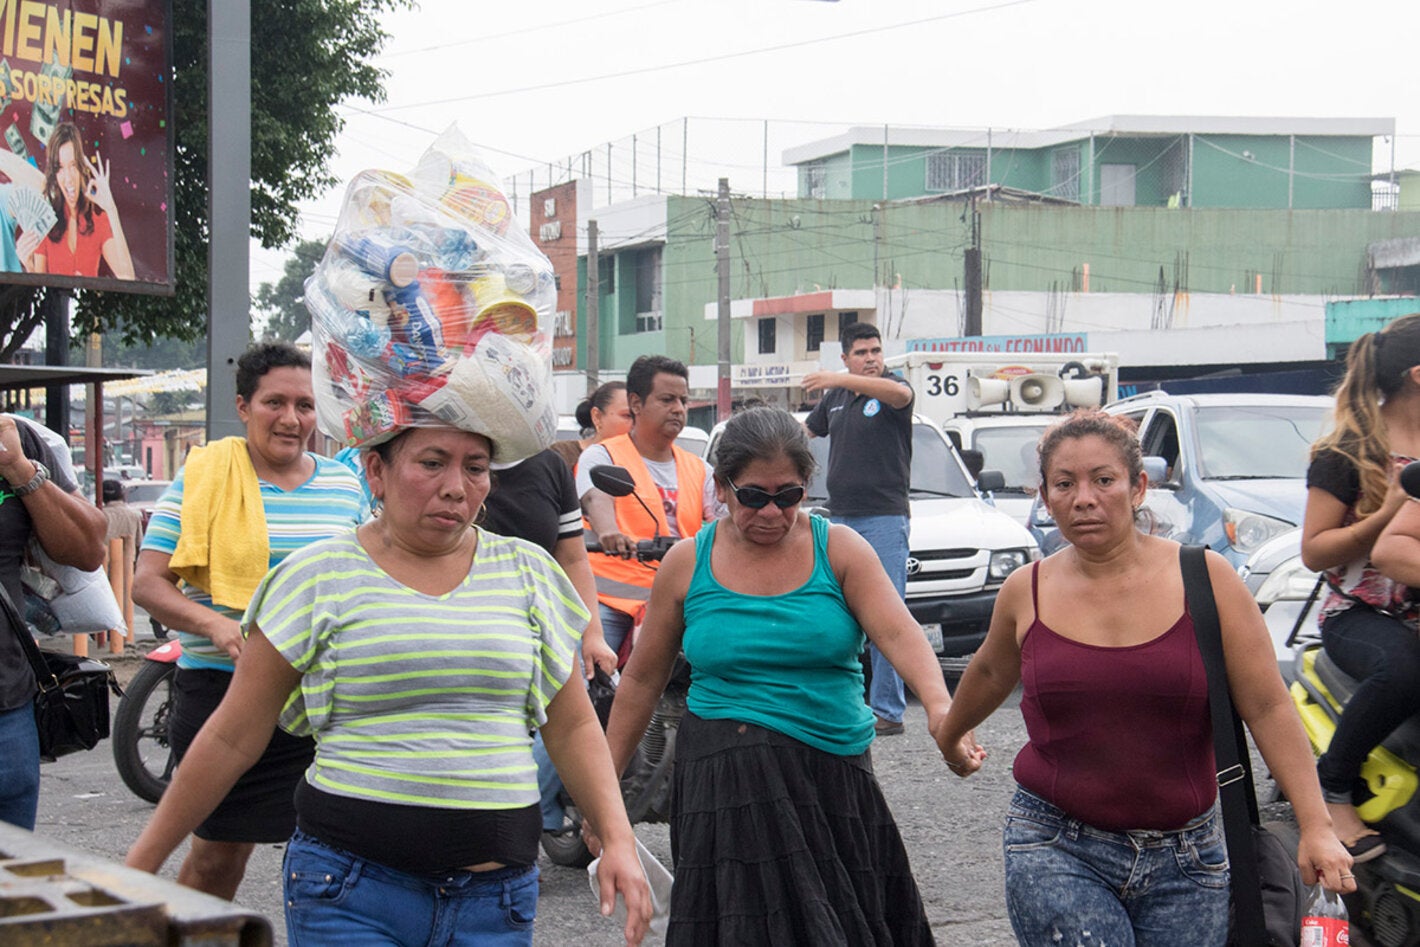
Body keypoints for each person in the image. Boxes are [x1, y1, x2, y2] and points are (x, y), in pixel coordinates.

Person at [126, 423, 652, 947]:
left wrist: (617, 838)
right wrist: (140, 866)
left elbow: (573, 724)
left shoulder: (528, 571)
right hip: (349, 894)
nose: (456, 486)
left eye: (475, 468)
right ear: (376, 471)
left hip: (497, 901)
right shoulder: (317, 576)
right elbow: (231, 735)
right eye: (432, 463)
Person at [937, 410, 1354, 945]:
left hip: (1190, 858)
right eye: (1064, 484)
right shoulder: (1027, 589)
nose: (1083, 498)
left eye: (1103, 480)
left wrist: (1316, 825)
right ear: (1044, 496)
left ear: (1138, 488)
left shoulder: (1207, 579)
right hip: (1055, 843)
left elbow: (1269, 706)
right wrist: (950, 735)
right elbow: (993, 670)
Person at [601, 407, 957, 944]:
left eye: (788, 496)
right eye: (753, 496)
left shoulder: (838, 550)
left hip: (830, 777)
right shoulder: (687, 562)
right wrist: (602, 797)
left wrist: (939, 705)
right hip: (724, 785)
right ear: (722, 486)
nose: (771, 512)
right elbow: (641, 682)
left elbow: (899, 634)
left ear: (806, 487)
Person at [132, 342, 368, 899]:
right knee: (217, 855)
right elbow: (148, 582)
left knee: (340, 855)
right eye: (275, 403)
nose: (292, 419)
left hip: (323, 698)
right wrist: (214, 625)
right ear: (243, 407)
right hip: (223, 691)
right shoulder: (204, 479)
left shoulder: (344, 484)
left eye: (306, 406)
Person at [1300, 312, 1420, 864]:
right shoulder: (1348, 452)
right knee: (1406, 667)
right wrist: (1385, 516)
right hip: (1358, 614)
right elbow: (1315, 550)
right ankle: (1334, 789)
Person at [482, 446, 620, 833]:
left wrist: (592, 633)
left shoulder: (547, 464)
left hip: (543, 626)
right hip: (472, 632)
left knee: (581, 715)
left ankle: (533, 819)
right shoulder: (446, 452)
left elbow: (573, 558)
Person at [804, 322, 914, 736]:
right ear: (846, 356)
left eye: (875, 351)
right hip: (840, 518)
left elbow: (901, 396)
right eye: (862, 352)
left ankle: (888, 711)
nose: (871, 359)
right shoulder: (834, 399)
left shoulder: (892, 389)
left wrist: (838, 378)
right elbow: (805, 433)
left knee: (886, 614)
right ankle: (842, 703)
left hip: (884, 517)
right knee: (835, 614)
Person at [0, 415, 106, 829]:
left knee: (11, 881)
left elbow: (87, 548)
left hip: (7, 708)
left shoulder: (17, 437)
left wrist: (19, 469)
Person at [576, 355, 719, 662]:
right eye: (667, 399)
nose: (679, 409)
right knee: (585, 672)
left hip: (679, 598)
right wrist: (609, 532)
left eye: (683, 400)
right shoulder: (602, 457)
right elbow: (596, 498)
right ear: (636, 404)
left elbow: (726, 522)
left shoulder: (701, 470)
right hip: (612, 603)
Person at [31, 123, 134, 278]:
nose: (68, 178)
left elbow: (128, 277)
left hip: (87, 302)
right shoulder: (44, 221)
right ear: (54, 173)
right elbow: (37, 284)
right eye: (60, 168)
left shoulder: (99, 221)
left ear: (81, 167)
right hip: (53, 303)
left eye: (73, 165)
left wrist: (111, 209)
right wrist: (27, 264)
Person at [551, 380, 632, 470]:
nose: (636, 424)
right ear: (597, 416)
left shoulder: (643, 461)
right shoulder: (562, 454)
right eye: (627, 416)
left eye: (641, 417)